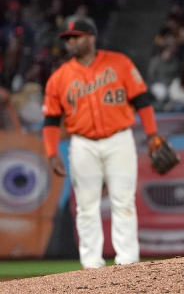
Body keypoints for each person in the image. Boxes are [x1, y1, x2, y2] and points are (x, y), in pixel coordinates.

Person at [42, 15, 161, 269]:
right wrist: (52, 152)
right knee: (86, 204)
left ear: (91, 37)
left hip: (119, 139)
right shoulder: (60, 78)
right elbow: (51, 121)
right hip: (82, 143)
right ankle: (91, 265)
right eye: (68, 39)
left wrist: (152, 135)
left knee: (123, 200)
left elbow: (142, 101)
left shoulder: (119, 64)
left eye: (76, 37)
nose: (71, 42)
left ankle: (128, 262)